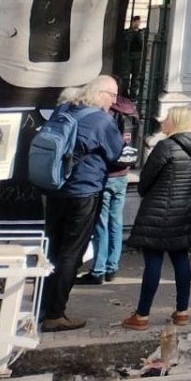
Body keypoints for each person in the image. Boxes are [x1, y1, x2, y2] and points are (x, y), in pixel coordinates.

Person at [40, 76, 125, 332]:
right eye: (113, 96)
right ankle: (55, 314)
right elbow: (115, 152)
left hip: (55, 187)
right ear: (101, 94)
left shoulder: (65, 109)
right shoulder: (101, 120)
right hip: (84, 190)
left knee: (53, 247)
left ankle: (43, 305)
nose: (114, 102)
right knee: (71, 253)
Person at [119, 106, 191, 331]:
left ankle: (142, 315)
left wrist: (148, 191)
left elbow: (146, 179)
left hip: (158, 210)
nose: (162, 122)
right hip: (184, 208)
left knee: (153, 261)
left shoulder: (165, 147)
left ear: (176, 122)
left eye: (166, 119)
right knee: (181, 258)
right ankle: (182, 312)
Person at [78, 91, 139, 285]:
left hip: (107, 174)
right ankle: (112, 266)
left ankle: (98, 269)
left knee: (101, 224)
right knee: (116, 222)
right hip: (123, 173)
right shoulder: (130, 111)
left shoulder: (106, 114)